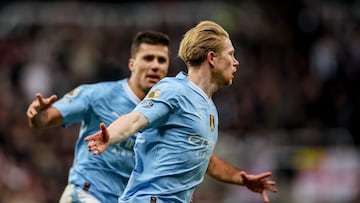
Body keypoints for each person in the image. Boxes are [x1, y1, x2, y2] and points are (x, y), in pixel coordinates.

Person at [85, 20, 277, 203]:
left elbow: (206, 161)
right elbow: (135, 119)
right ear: (211, 58)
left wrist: (241, 179)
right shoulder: (174, 90)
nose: (236, 62)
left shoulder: (210, 109)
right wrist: (110, 136)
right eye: (231, 54)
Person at [26, 31, 171, 203]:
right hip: (86, 195)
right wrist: (38, 114)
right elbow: (44, 119)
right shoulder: (98, 94)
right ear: (132, 64)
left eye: (161, 60)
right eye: (148, 58)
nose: (155, 65)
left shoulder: (166, 115)